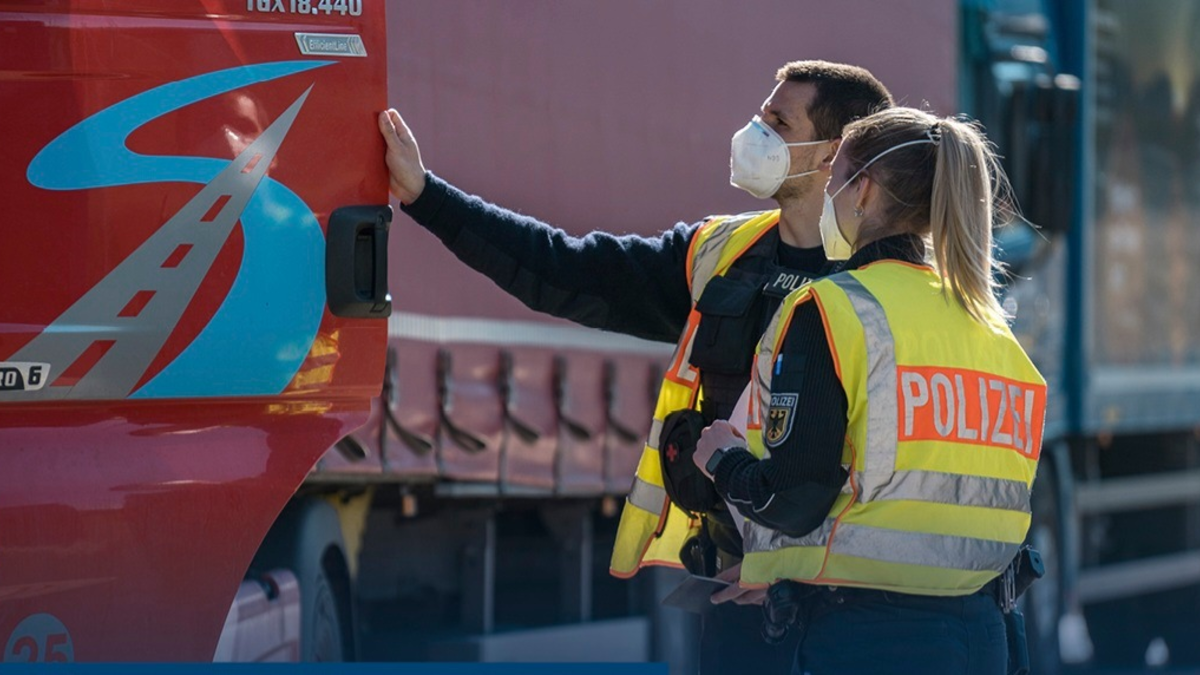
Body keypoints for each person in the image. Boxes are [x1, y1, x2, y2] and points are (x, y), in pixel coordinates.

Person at [378, 61, 893, 674]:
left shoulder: (884, 286)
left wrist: (802, 573)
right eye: (760, 115)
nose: (754, 132)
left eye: (778, 122)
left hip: (843, 612)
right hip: (735, 603)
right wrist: (426, 196)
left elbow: (902, 464)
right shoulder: (719, 254)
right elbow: (562, 271)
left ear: (832, 153)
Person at [693, 107, 1047, 675]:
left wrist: (721, 460)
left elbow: (794, 497)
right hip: (984, 638)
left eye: (836, 184)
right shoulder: (994, 332)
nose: (828, 200)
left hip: (867, 641)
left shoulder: (833, 311)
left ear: (864, 192)